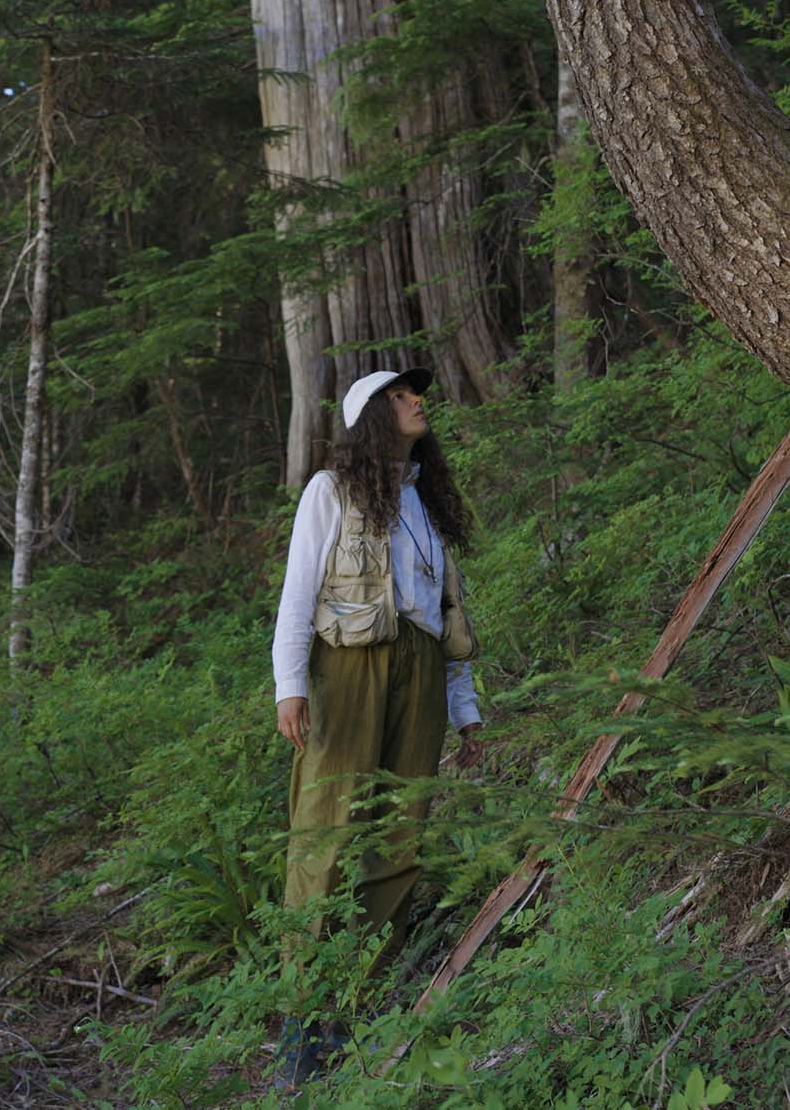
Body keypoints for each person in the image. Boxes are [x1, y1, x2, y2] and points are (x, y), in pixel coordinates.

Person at [269, 366, 484, 1085]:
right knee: (326, 830)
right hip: (349, 670)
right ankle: (302, 1023)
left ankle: (353, 1008)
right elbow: (298, 592)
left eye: (413, 393)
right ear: (370, 416)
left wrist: (466, 712)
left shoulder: (425, 503)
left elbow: (446, 617)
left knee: (400, 836)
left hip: (419, 675)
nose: (417, 400)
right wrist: (291, 686)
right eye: (399, 396)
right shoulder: (330, 491)